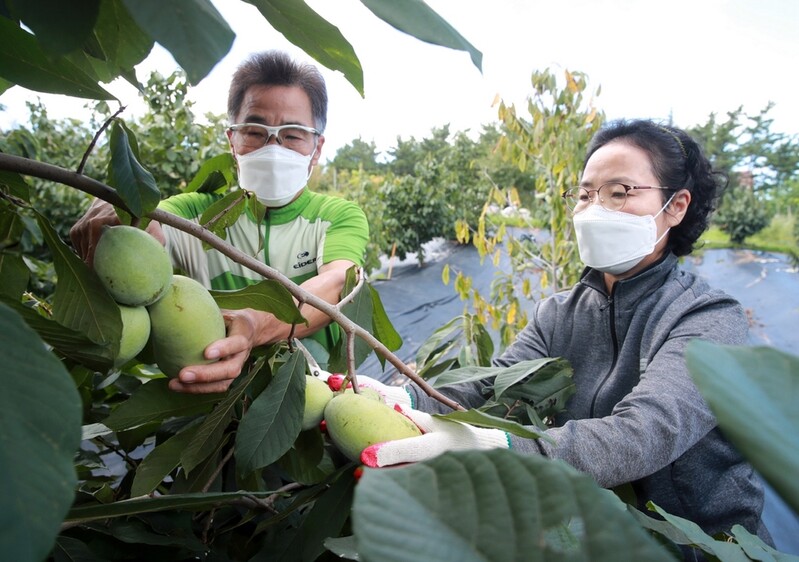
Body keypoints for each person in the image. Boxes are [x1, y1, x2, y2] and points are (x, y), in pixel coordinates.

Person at [340, 119, 772, 548]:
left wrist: (491, 450)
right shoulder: (560, 312)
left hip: (701, 547)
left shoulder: (709, 319)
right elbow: (496, 383)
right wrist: (401, 399)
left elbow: (642, 434)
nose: (595, 209)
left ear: (675, 206)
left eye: (619, 193)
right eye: (585, 195)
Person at [70, 50, 369, 394]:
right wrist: (120, 217)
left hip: (313, 395)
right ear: (232, 140)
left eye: (292, 135)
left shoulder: (337, 216)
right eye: (255, 131)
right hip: (208, 406)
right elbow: (147, 235)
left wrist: (257, 325)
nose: (273, 146)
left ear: (317, 148)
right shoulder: (193, 216)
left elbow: (337, 283)